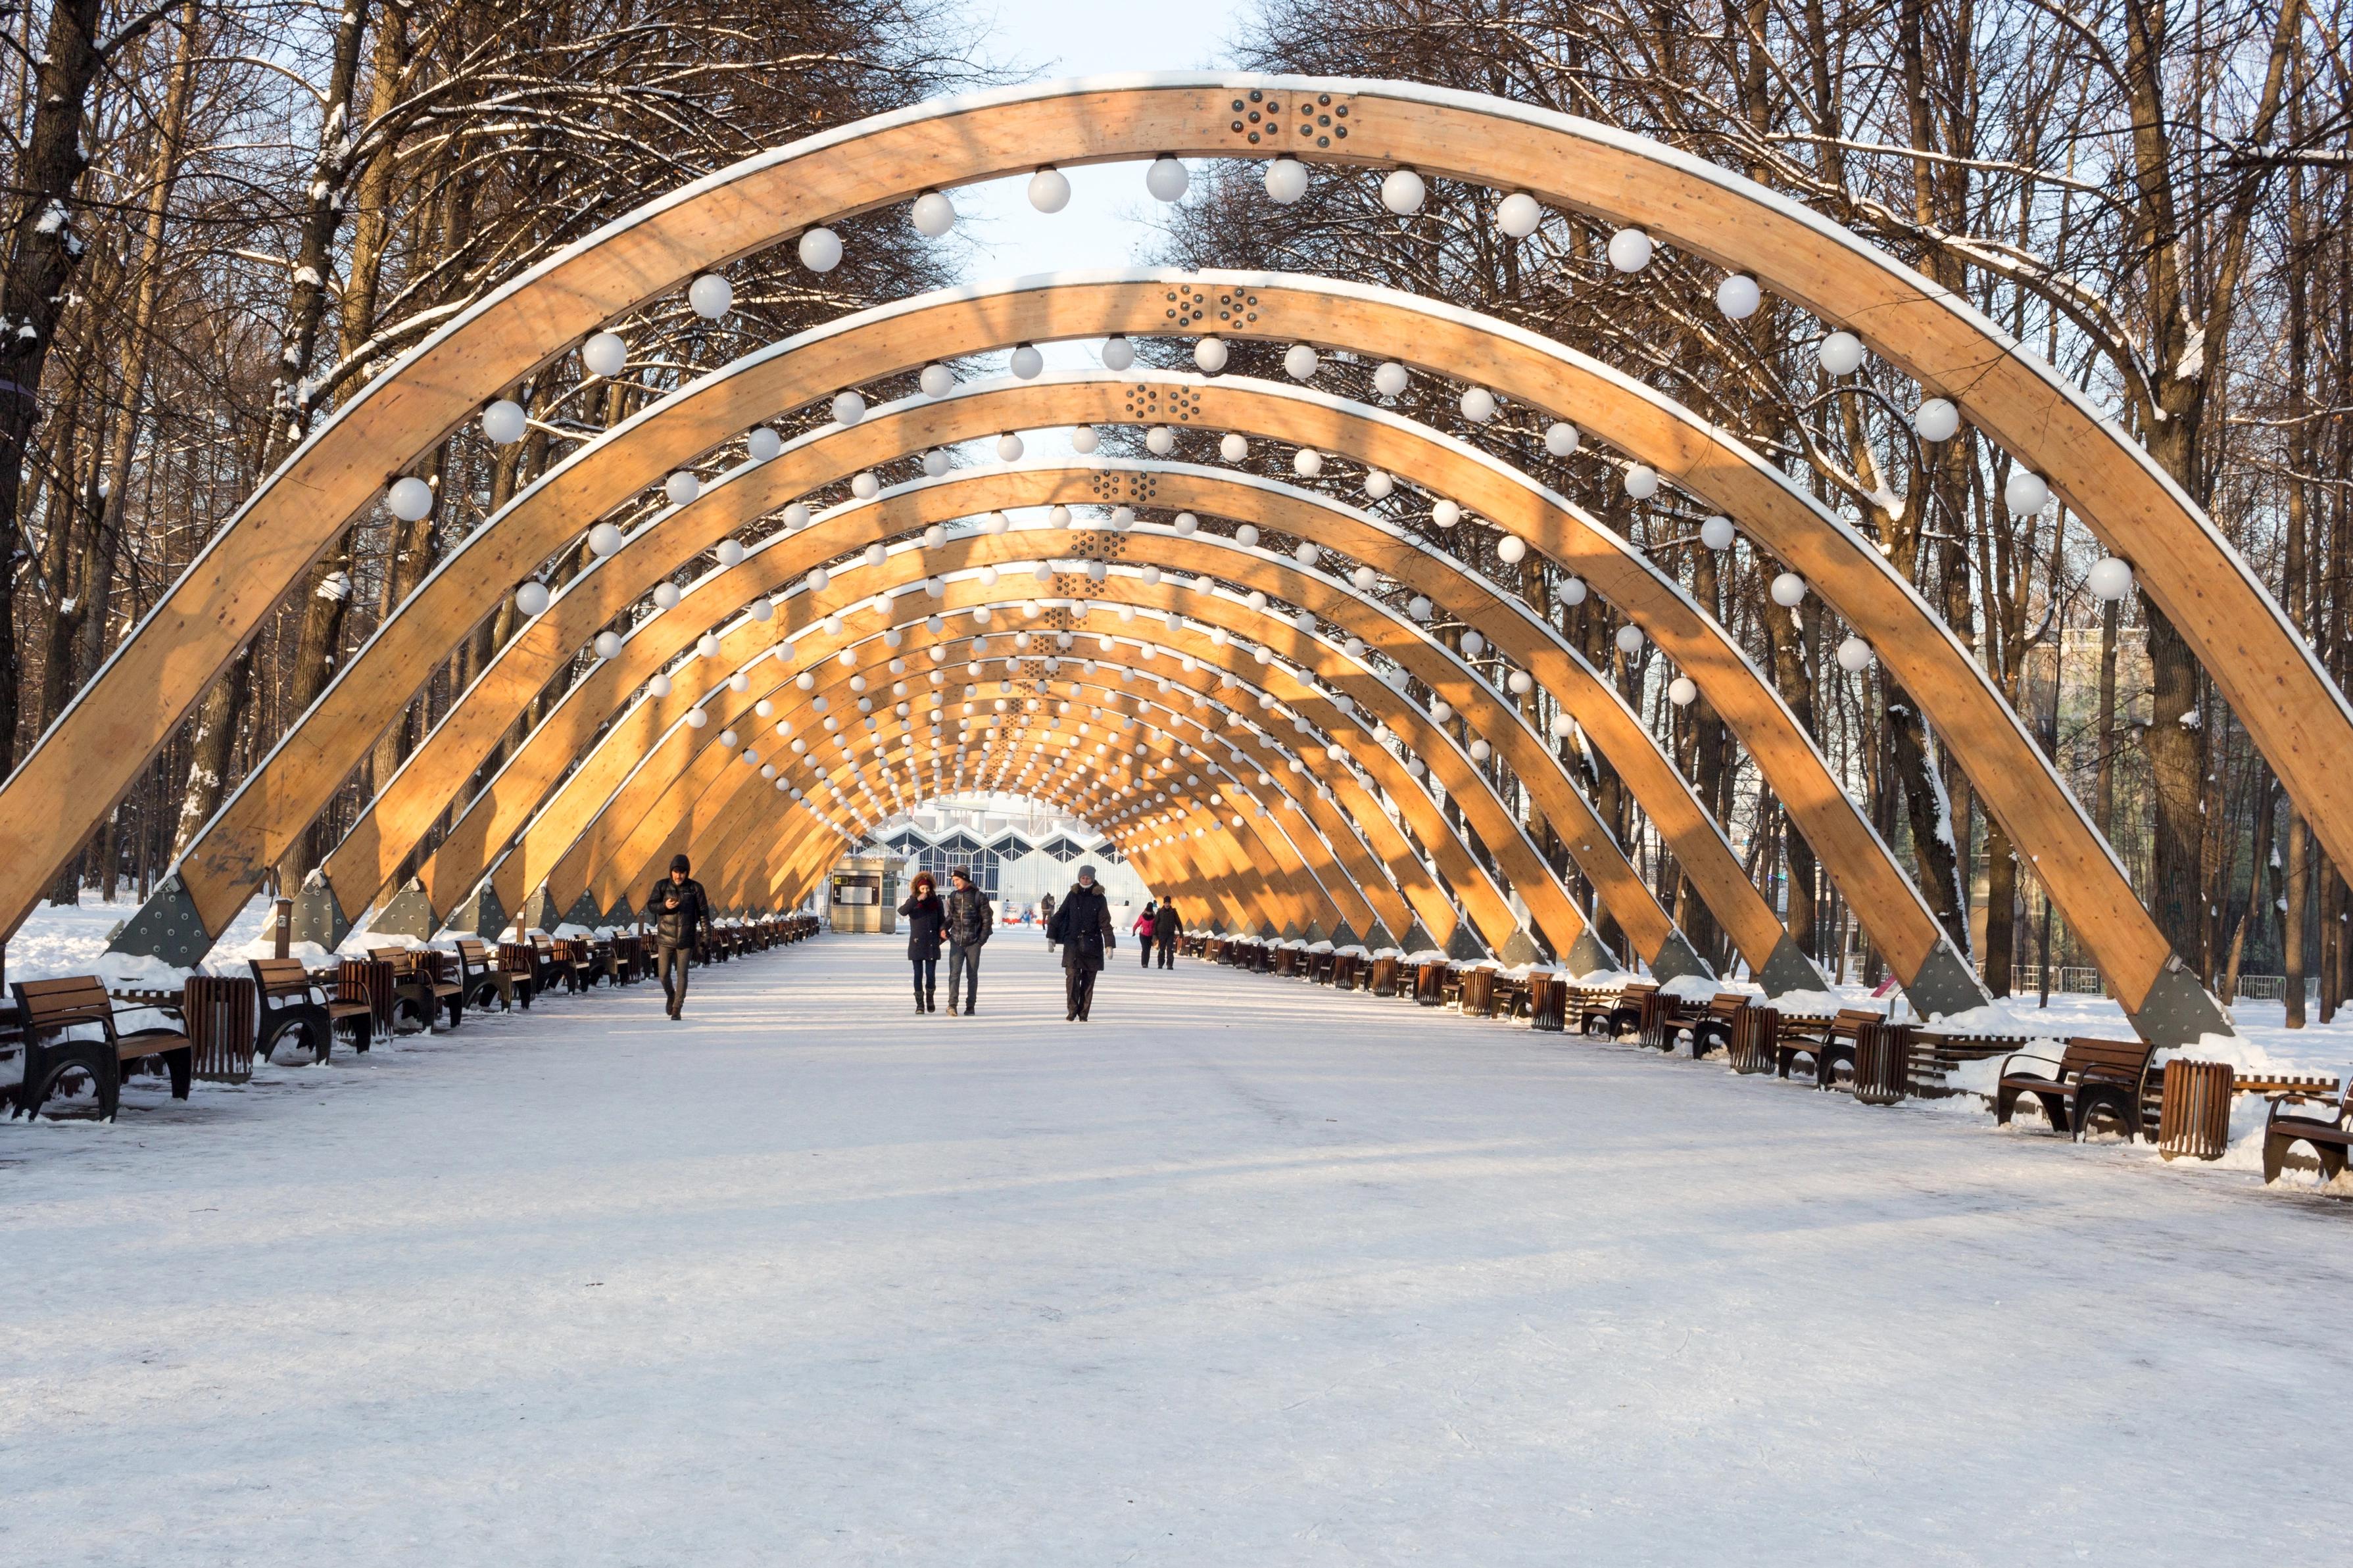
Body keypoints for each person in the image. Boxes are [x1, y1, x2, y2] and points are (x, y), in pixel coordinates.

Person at [1046, 864, 1117, 1021]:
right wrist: (1051, 935)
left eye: (1088, 877)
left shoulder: (1100, 898)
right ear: (1079, 878)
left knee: (1088, 982)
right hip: (1073, 945)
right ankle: (1072, 1010)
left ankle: (1084, 1013)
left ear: (1093, 879)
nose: (1085, 880)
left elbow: (1105, 922)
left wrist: (1109, 944)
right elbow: (1060, 915)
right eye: (1083, 877)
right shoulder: (1072, 895)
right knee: (1072, 978)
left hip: (1092, 945)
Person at [646, 853, 708, 1020]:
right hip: (665, 939)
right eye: (675, 872)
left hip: (686, 939)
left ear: (687, 873)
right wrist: (664, 906)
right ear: (671, 872)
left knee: (682, 974)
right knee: (663, 974)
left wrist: (705, 938)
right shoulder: (662, 886)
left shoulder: (695, 889)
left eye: (682, 872)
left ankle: (677, 1008)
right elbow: (651, 906)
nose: (678, 875)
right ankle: (671, 994)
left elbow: (704, 914)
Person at [943, 866, 990, 1015]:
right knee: (954, 974)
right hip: (956, 941)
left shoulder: (979, 897)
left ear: (964, 878)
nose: (955, 883)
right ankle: (952, 1005)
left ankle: (970, 1006)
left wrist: (980, 941)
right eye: (953, 880)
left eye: (957, 880)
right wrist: (944, 928)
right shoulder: (953, 896)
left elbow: (987, 921)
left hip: (973, 943)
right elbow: (951, 917)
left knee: (972, 976)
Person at [898, 871, 944, 1013]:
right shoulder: (913, 901)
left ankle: (930, 998)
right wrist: (917, 899)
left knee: (930, 974)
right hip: (917, 943)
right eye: (922, 889)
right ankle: (920, 1004)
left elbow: (942, 919)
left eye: (927, 889)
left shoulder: (936, 901)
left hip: (932, 943)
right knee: (918, 974)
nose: (925, 891)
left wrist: (942, 932)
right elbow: (902, 911)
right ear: (917, 889)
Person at [1154, 901, 1182, 969]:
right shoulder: (1160, 912)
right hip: (1162, 933)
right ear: (1164, 903)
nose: (1167, 905)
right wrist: (1155, 934)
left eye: (1168, 903)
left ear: (1170, 903)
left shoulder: (1173, 912)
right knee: (1162, 949)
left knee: (1170, 949)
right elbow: (1156, 923)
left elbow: (1178, 922)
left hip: (1170, 933)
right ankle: (1160, 964)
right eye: (1166, 903)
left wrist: (1181, 932)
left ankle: (1170, 964)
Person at [1132, 901, 1158, 968]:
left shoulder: (1154, 916)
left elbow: (1156, 925)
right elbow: (1138, 923)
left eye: (1150, 912)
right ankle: (1144, 963)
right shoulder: (1142, 916)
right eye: (1148, 911)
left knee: (1148, 949)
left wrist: (1156, 935)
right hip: (1143, 935)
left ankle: (1146, 963)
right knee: (1145, 948)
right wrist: (1134, 930)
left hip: (1150, 936)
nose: (1149, 913)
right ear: (1146, 910)